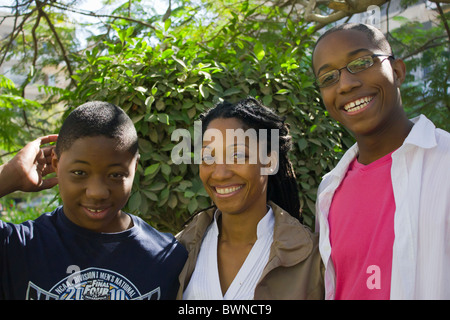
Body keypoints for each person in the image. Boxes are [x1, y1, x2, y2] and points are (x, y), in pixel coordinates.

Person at [312, 23, 450, 299]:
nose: (346, 84)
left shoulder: (444, 164)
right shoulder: (329, 190)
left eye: (361, 62)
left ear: (397, 71)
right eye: (328, 78)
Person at [0, 101, 187, 300]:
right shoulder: (17, 248)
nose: (97, 193)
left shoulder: (166, 258)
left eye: (115, 175)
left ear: (135, 166)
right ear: (56, 163)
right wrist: (10, 174)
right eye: (79, 172)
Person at [176, 97, 324, 300]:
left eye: (237, 155)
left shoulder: (312, 260)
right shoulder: (180, 251)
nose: (219, 174)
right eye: (208, 157)